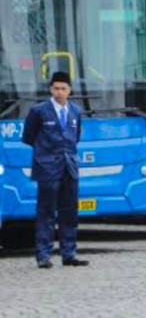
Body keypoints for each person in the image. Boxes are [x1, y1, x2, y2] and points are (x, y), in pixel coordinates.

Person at [23, 71, 88, 268]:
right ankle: (43, 255)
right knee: (46, 212)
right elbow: (28, 137)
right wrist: (45, 155)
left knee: (70, 212)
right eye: (56, 88)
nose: (59, 92)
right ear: (51, 89)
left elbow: (75, 137)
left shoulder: (75, 111)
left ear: (69, 90)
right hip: (48, 168)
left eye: (63, 88)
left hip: (70, 167)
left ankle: (69, 253)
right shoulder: (39, 111)